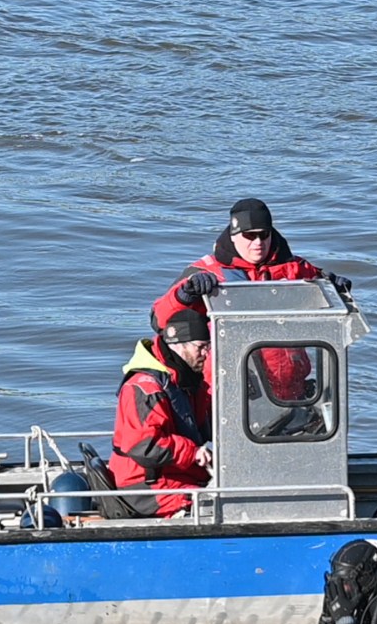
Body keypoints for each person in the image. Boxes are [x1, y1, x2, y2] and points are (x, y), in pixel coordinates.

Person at [149, 198, 351, 401]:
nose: (258, 243)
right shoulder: (206, 272)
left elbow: (323, 284)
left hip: (291, 388)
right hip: (233, 388)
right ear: (234, 235)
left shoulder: (294, 268)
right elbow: (159, 321)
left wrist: (335, 286)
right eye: (250, 236)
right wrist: (185, 294)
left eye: (264, 235)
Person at [108, 308, 213, 517]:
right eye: (201, 347)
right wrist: (193, 452)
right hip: (146, 485)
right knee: (217, 507)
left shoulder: (186, 383)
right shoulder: (144, 388)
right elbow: (144, 444)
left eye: (207, 347)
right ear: (178, 345)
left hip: (175, 474)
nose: (205, 354)